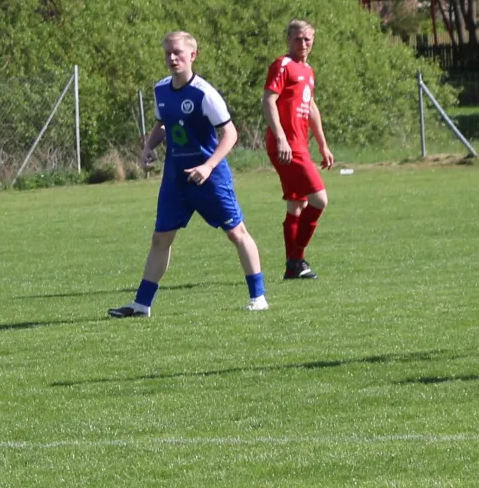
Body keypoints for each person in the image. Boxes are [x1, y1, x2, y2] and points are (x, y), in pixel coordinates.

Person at [109, 32, 269, 317]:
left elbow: (230, 133)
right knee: (160, 240)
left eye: (178, 53)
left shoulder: (204, 93)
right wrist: (148, 147)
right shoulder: (161, 90)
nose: (172, 58)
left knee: (237, 233)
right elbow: (162, 125)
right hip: (176, 180)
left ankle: (258, 297)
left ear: (192, 55)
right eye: (168, 53)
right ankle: (142, 305)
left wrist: (208, 166)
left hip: (210, 179)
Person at [261, 19, 336, 279]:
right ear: (288, 39)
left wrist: (323, 144)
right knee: (319, 199)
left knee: (297, 204)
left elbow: (311, 107)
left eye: (307, 39)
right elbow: (268, 100)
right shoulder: (283, 65)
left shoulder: (308, 70)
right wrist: (280, 136)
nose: (303, 44)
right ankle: (296, 259)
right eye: (297, 39)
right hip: (287, 146)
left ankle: (293, 267)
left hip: (299, 144)